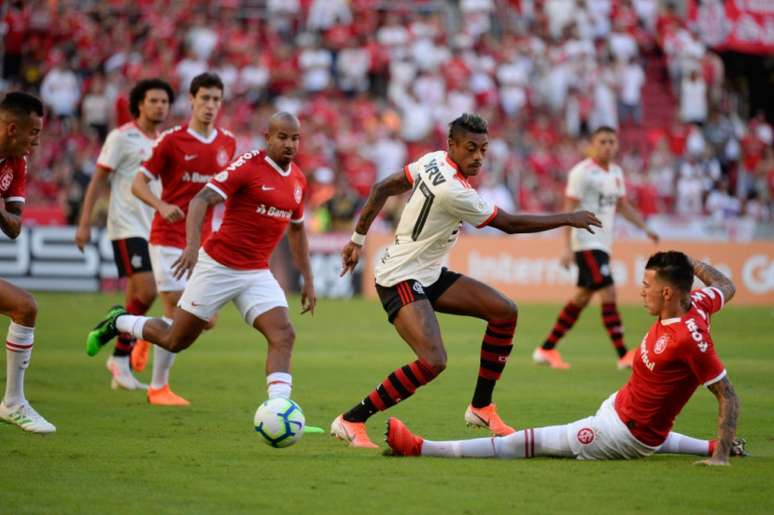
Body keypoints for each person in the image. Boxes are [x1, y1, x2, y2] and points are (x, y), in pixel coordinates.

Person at [331, 113, 602, 448]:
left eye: (484, 149)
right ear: (453, 145)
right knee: (433, 361)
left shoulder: (432, 160)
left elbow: (382, 187)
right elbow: (510, 224)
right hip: (400, 276)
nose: (478, 157)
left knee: (504, 312)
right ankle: (351, 419)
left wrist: (357, 240)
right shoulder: (455, 191)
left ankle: (481, 406)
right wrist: (568, 218)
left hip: (427, 274)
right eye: (471, 148)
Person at [386, 251, 748, 466]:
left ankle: (421, 447)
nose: (641, 291)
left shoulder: (687, 339)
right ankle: (714, 443)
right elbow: (727, 286)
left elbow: (727, 394)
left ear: (667, 292)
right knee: (654, 431)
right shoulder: (698, 303)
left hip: (619, 435)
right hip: (626, 414)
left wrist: (719, 462)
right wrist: (690, 262)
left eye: (647, 286)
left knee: (526, 443)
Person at [84, 112, 315, 409]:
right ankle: (119, 321)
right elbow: (200, 199)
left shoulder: (297, 179)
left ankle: (279, 410)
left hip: (256, 272)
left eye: (295, 138)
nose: (290, 144)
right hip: (219, 266)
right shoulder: (248, 166)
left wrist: (307, 279)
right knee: (173, 339)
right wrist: (193, 246)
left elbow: (297, 232)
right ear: (267, 138)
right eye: (282, 137)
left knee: (283, 334)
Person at [102, 72, 236, 406]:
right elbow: (138, 183)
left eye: (216, 99)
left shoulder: (227, 143)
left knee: (206, 320)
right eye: (203, 98)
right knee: (178, 310)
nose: (209, 105)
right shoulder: (171, 141)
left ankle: (136, 327)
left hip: (204, 244)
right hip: (168, 239)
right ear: (191, 100)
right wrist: (161, 205)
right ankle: (158, 387)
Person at [75, 78, 174, 391]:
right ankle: (116, 332)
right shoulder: (121, 137)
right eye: (154, 101)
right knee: (146, 292)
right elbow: (98, 180)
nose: (160, 106)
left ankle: (119, 359)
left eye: (164, 101)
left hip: (156, 228)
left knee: (139, 297)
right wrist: (85, 222)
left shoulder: (167, 141)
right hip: (126, 225)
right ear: (139, 105)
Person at [533, 126, 659, 370]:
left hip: (603, 243)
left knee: (581, 297)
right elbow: (569, 210)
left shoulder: (616, 173)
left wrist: (645, 228)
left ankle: (546, 349)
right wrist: (567, 247)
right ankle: (623, 354)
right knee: (609, 292)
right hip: (586, 241)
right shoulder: (582, 173)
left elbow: (622, 206)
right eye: (602, 141)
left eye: (612, 142)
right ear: (592, 144)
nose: (608, 146)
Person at [0, 92, 55, 433]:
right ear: (11, 128)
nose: (37, 141)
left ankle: (13, 403)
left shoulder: (16, 163)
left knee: (25, 308)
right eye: (33, 132)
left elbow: (16, 227)